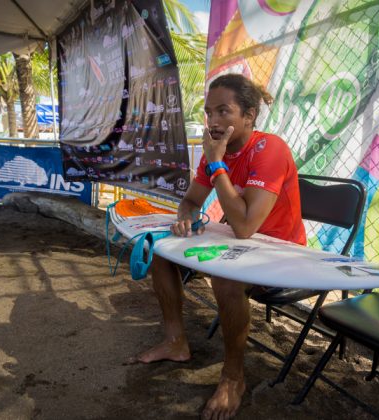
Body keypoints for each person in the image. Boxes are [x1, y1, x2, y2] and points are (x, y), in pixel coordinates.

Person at [129, 73, 305, 419]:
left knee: (225, 277)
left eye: (224, 111)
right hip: (243, 246)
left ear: (249, 116)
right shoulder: (215, 150)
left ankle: (233, 378)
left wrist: (216, 162)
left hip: (283, 254)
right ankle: (176, 343)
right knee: (161, 253)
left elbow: (244, 226)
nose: (213, 121)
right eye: (209, 112)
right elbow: (191, 201)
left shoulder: (269, 148)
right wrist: (185, 217)